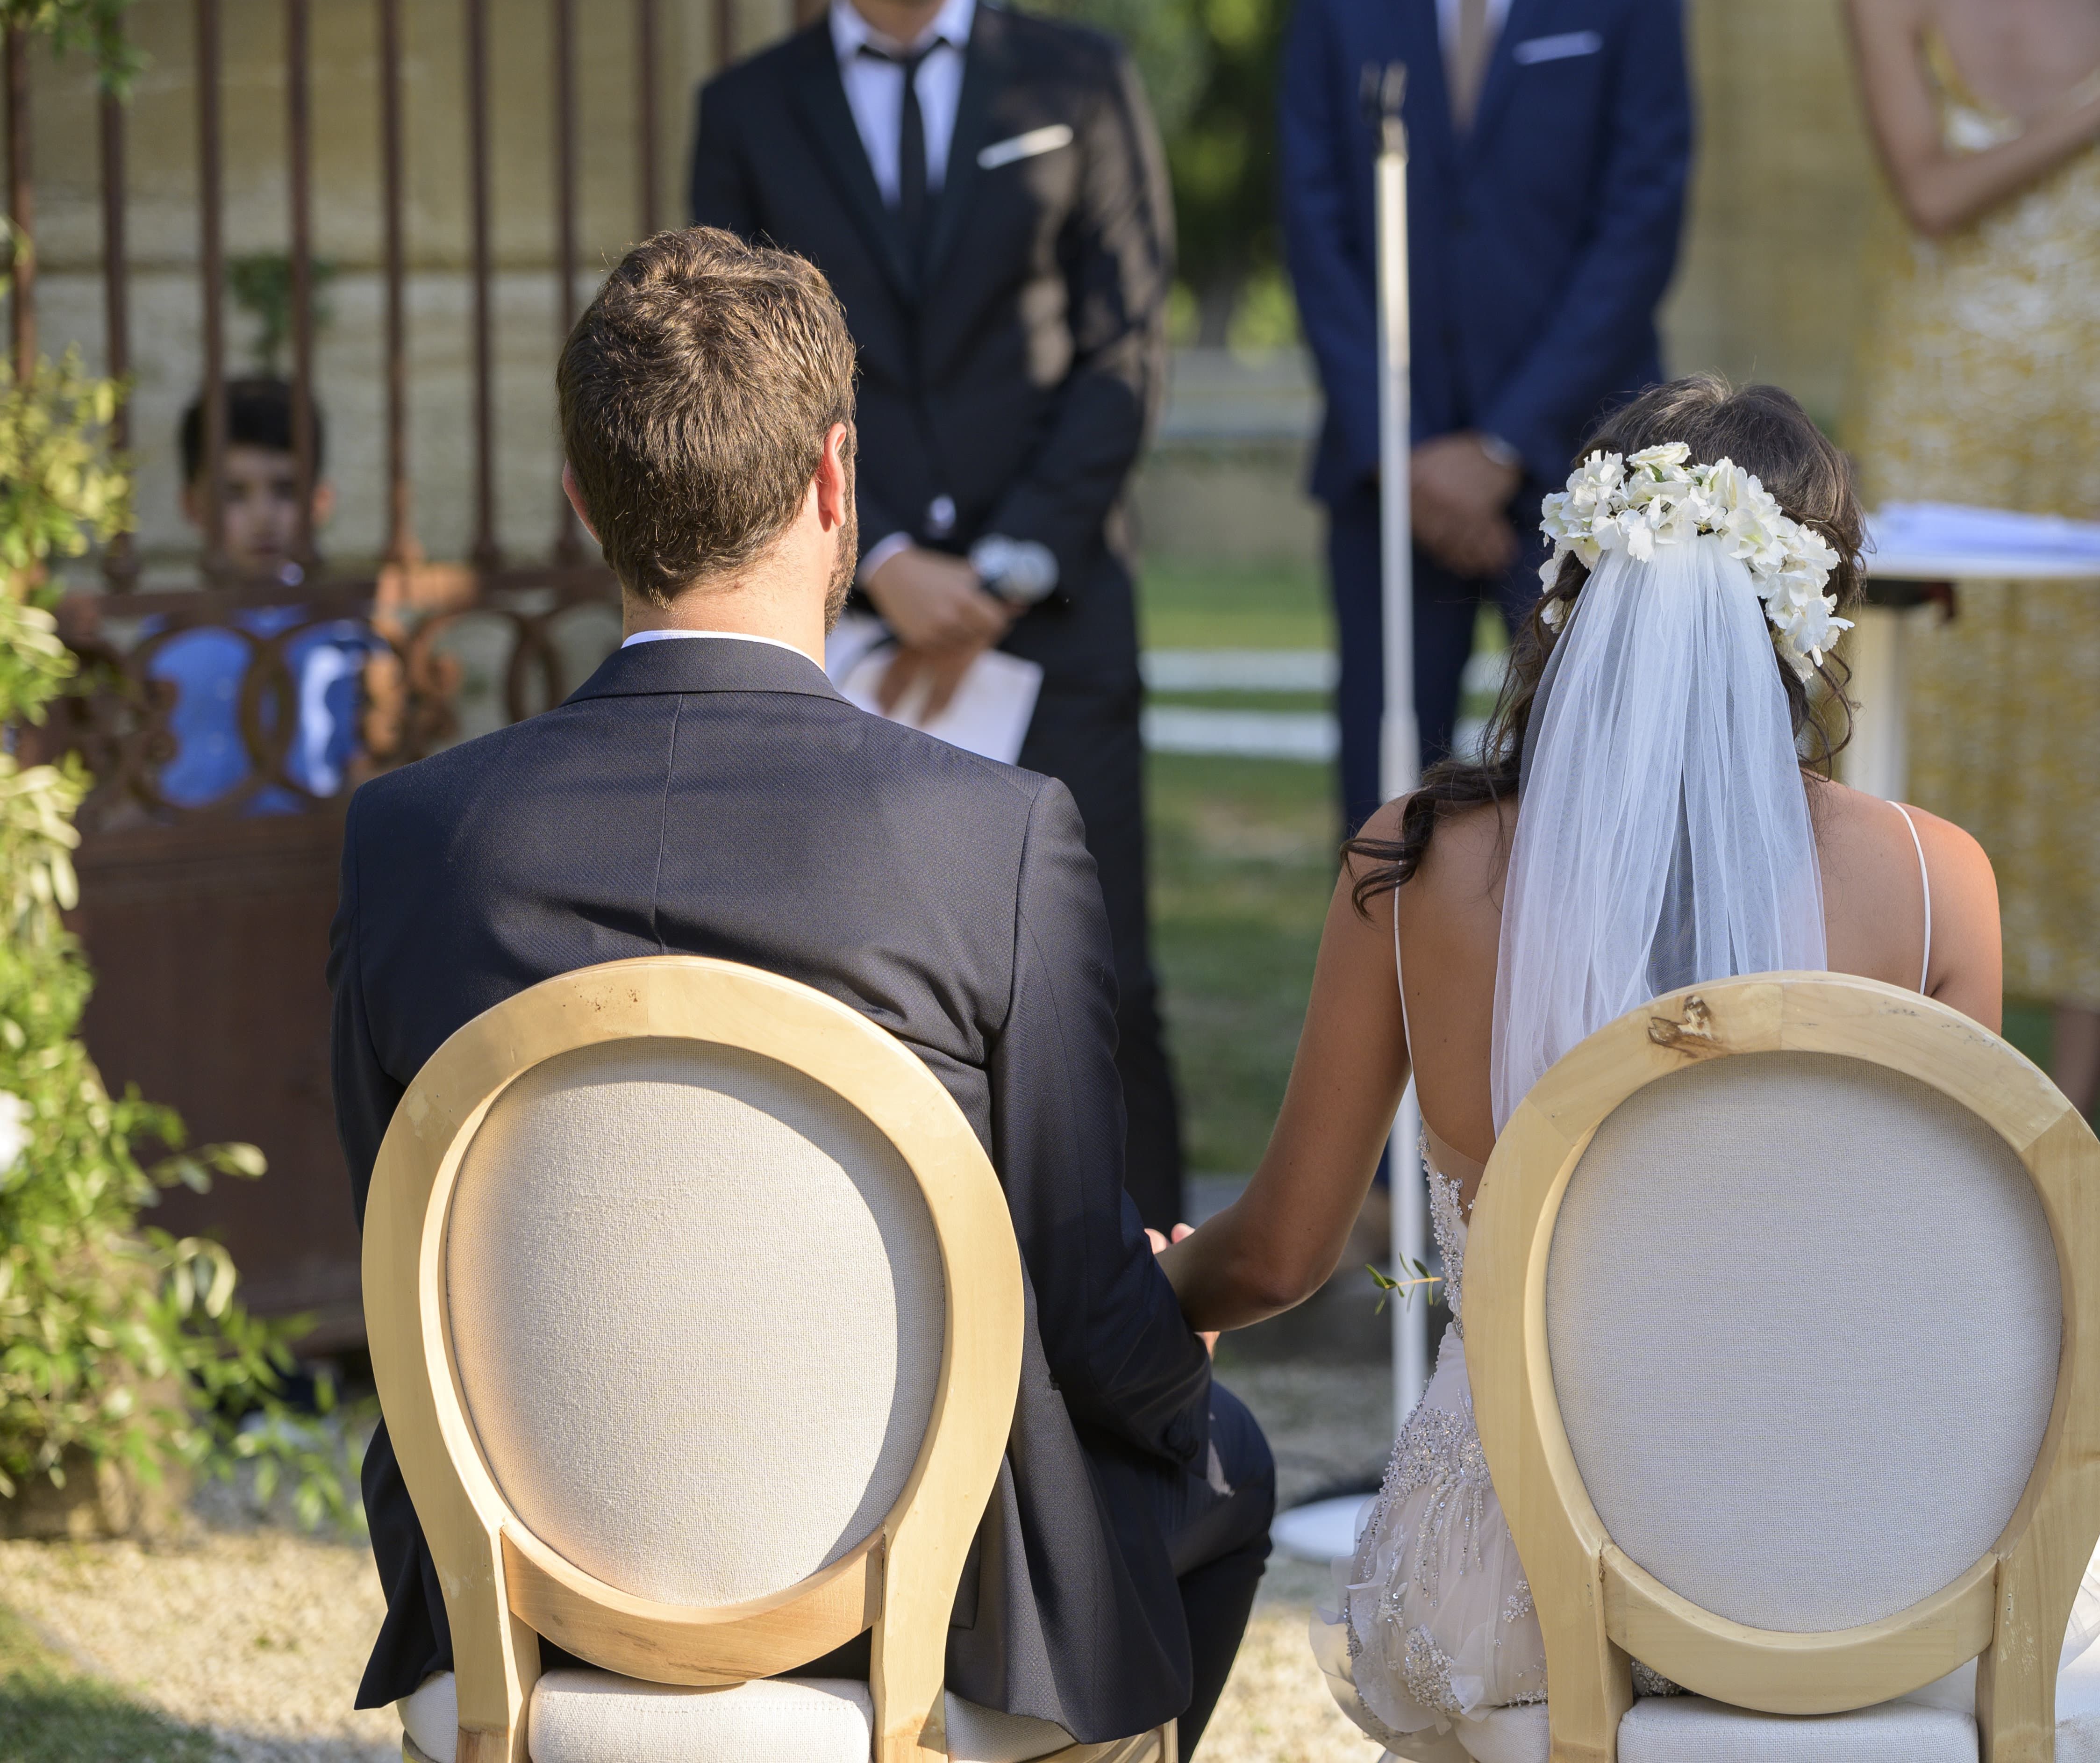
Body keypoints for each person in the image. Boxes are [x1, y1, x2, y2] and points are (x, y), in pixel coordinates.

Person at [336, 229, 1272, 1756]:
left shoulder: (409, 843)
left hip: (528, 1594)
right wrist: (1174, 1347)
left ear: (581, 497)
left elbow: (407, 1260)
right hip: (916, 1606)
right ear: (838, 480)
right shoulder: (994, 838)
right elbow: (1090, 1328)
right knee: (1220, 1461)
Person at [1152, 380, 2012, 1756]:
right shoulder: (1934, 884)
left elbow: (1281, 1253)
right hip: (1848, 1555)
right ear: (1813, 618)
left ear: (1568, 592)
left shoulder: (1415, 866)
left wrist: (1157, 1293)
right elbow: (1964, 1284)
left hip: (1514, 1576)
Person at [689, 0, 1189, 1228]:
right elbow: (732, 365)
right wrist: (886, 554)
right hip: (846, 615)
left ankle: (1150, 1301)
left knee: (1100, 976)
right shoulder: (747, 109)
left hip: (1058, 612)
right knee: (853, 976)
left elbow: (1124, 348)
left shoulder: (1079, 79)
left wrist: (1007, 567)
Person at [1840, 0, 2100, 1114]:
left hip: (2087, 420)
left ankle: (2063, 1136)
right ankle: (1888, 1095)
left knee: (2084, 748)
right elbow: (1932, 193)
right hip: (1932, 409)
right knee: (1914, 733)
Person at [1277, 0, 1693, 836]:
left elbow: (1642, 215)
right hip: (1390, 481)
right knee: (1384, 797)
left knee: (1596, 785)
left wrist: (1504, 443)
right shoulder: (1333, 4)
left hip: (1581, 461)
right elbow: (1312, 221)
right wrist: (1400, 449)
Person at [156, 378, 377, 810]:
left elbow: (365, 772)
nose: (264, 517)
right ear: (193, 505)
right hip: (188, 851)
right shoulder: (164, 638)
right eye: (234, 494)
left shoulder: (344, 635)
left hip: (313, 849)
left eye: (286, 491)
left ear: (320, 501)